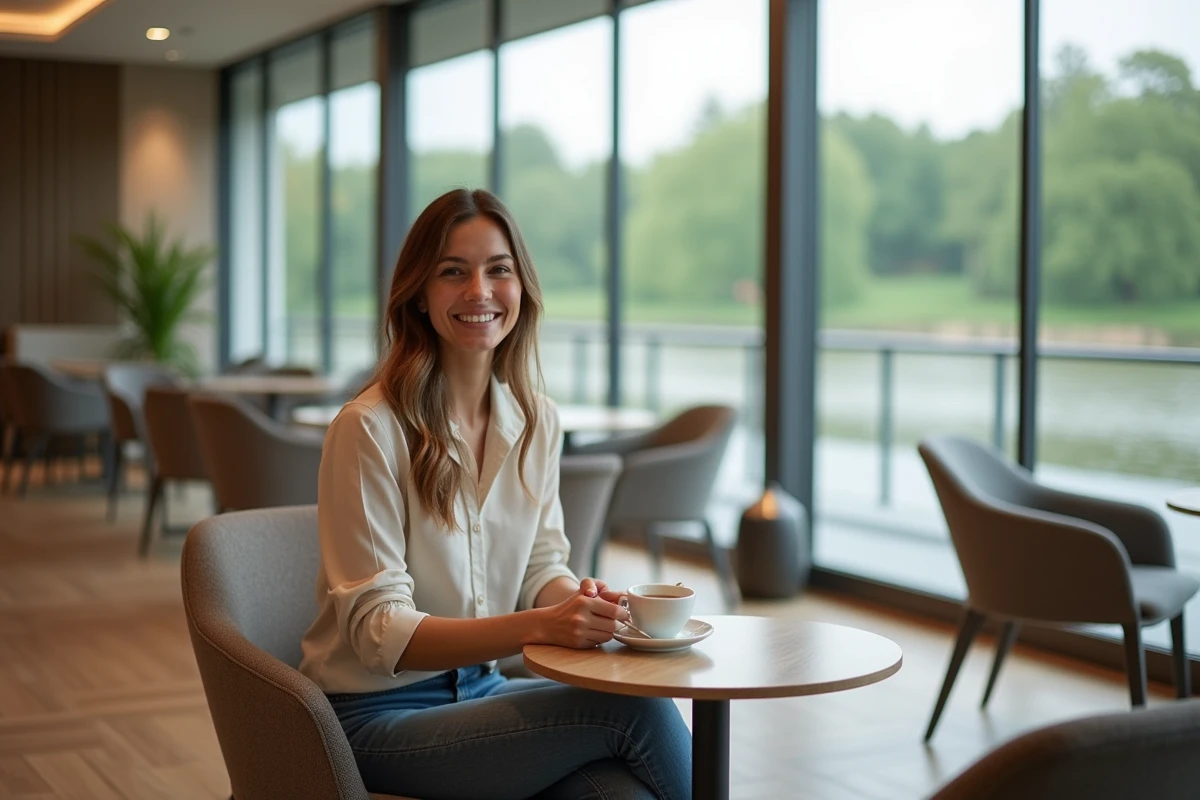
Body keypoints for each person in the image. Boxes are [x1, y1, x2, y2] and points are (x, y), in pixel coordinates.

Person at [300, 188, 692, 800]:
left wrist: (583, 604)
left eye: (498, 270)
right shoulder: (369, 429)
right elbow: (378, 633)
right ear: (419, 297)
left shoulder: (537, 419)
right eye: (452, 272)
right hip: (371, 717)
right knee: (634, 713)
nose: (479, 291)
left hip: (480, 692)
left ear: (521, 289)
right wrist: (541, 625)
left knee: (620, 791)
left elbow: (542, 566)